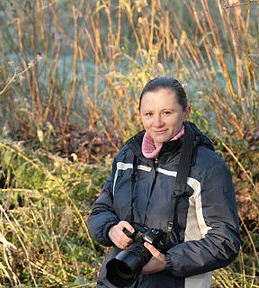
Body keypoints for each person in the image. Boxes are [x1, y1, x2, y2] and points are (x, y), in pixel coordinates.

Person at [87, 76, 241, 288]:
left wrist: (168, 261)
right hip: (117, 280)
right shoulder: (127, 156)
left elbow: (224, 241)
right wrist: (110, 229)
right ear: (140, 114)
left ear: (186, 112)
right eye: (149, 114)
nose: (157, 123)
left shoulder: (207, 167)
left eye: (167, 113)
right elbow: (100, 210)